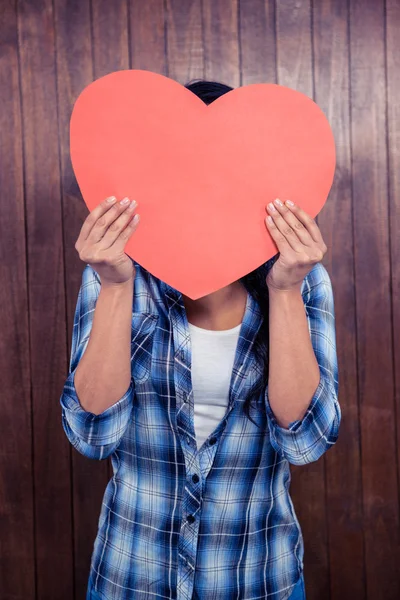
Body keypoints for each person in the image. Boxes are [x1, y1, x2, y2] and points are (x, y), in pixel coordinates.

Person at [60, 80, 340, 600]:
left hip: (258, 575)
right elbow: (91, 433)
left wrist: (284, 291)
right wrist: (117, 285)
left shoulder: (301, 279)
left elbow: (305, 441)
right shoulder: (118, 274)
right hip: (132, 576)